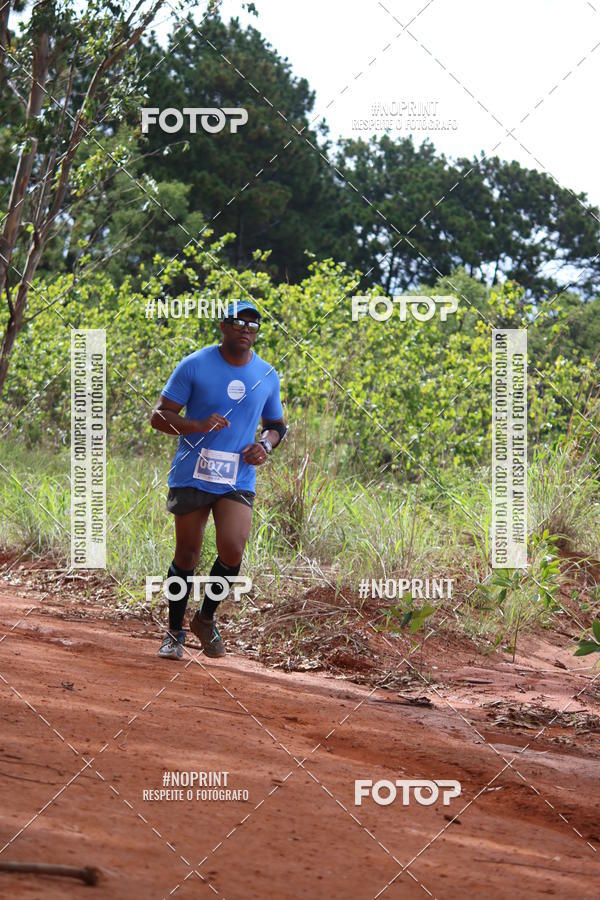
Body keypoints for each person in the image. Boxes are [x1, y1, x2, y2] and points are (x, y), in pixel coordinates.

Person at [150, 300, 287, 659]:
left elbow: (276, 426)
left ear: (256, 333)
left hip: (237, 476)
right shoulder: (194, 365)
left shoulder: (267, 375)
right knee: (188, 554)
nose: (245, 329)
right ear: (223, 326)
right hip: (193, 473)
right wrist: (196, 426)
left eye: (252, 325)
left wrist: (265, 447)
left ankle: (205, 618)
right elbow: (159, 417)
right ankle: (174, 632)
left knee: (233, 549)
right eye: (237, 322)